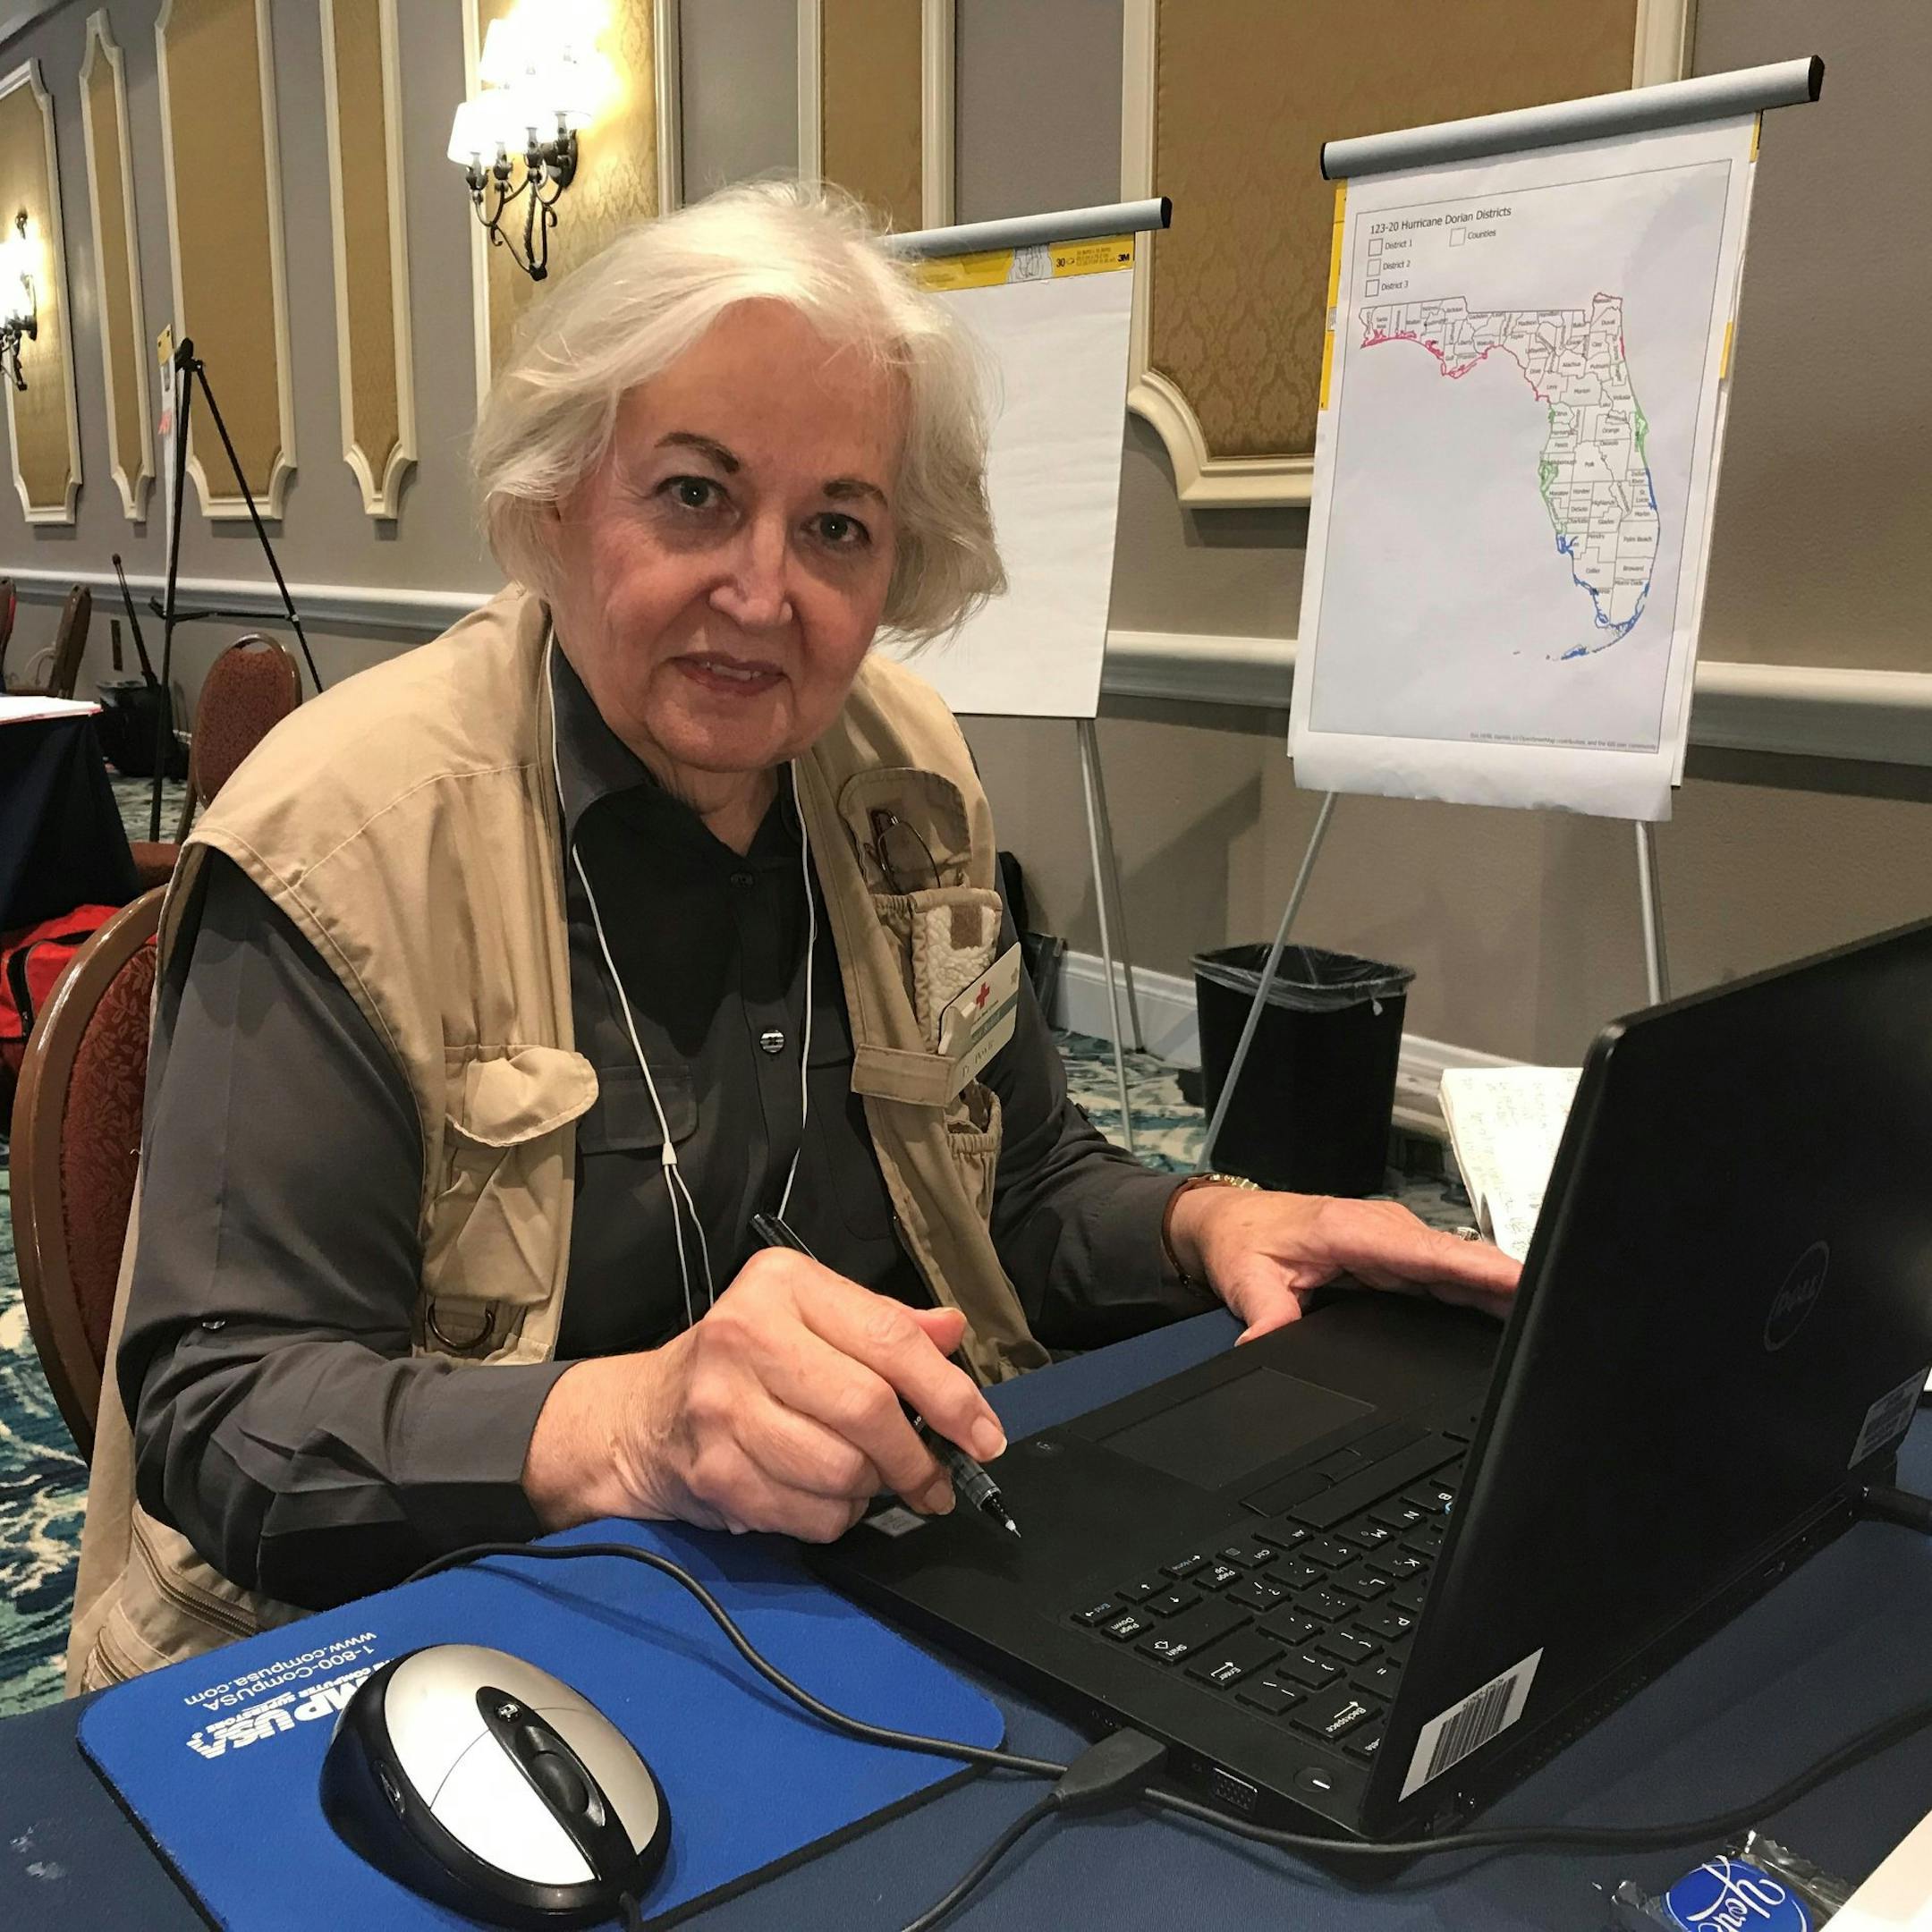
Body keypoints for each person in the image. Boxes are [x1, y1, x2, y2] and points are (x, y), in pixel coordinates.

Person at [67, 184, 1516, 1690]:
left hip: (839, 1584)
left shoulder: (904, 771)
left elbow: (1014, 1180)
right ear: (562, 498)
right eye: (694, 494)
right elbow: (222, 1409)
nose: (764, 594)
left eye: (836, 525)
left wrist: (1211, 1222)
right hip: (419, 1642)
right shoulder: (342, 839)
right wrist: (633, 1422)